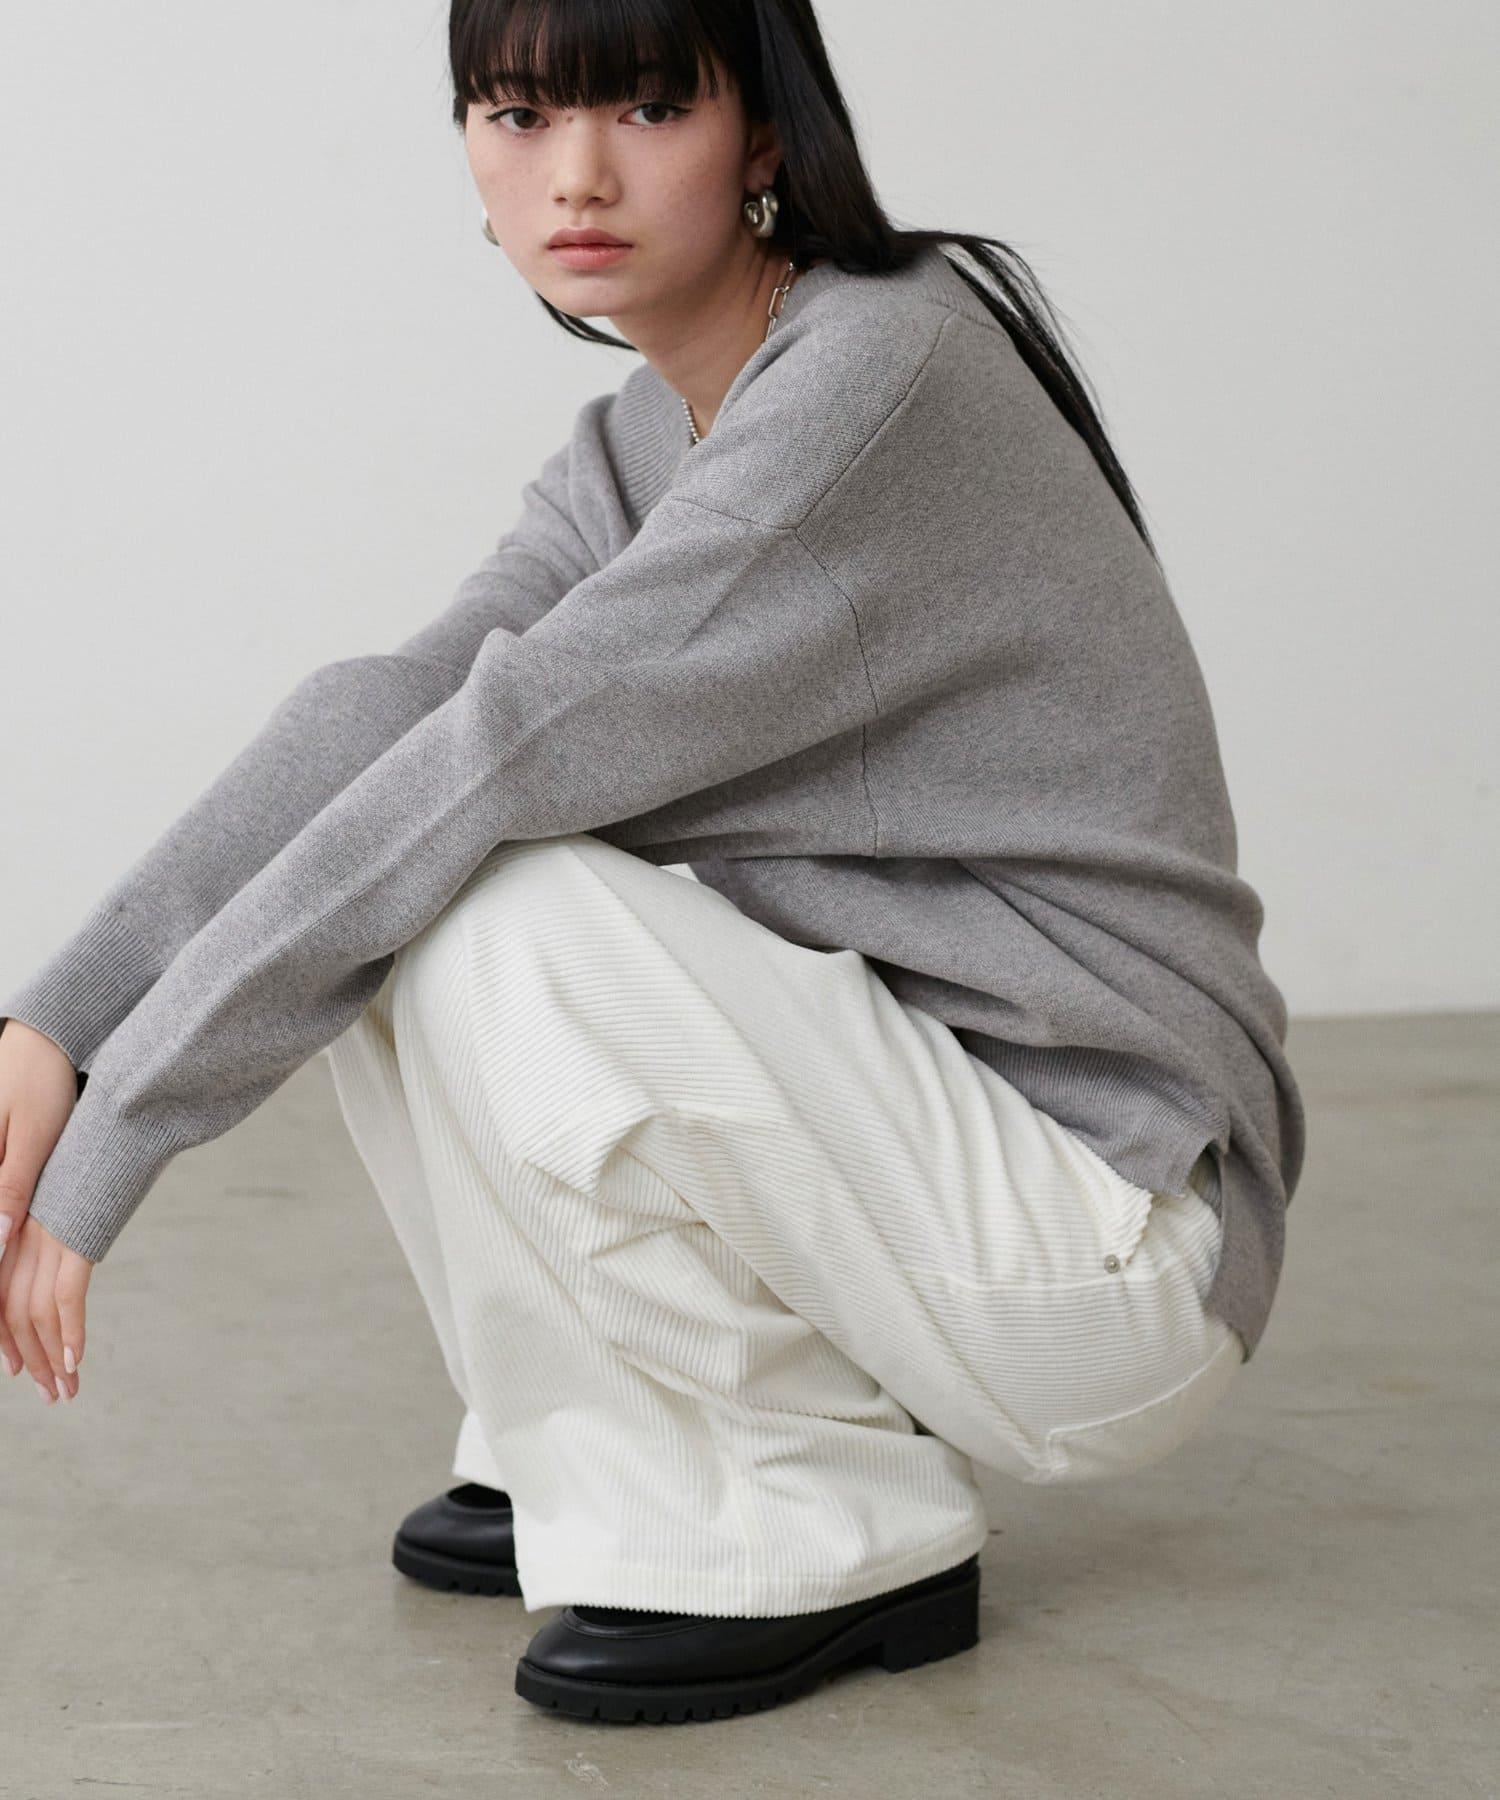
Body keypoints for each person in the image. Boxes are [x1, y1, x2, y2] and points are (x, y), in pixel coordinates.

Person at [0, 0, 1304, 1726]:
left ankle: (808, 1521)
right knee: (404, 842)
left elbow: (495, 757)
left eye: (644, 108)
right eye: (517, 114)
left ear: (764, 131)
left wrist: (119, 1136)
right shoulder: (644, 439)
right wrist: (59, 1027)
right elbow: (391, 714)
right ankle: (602, 1436)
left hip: (1110, 1240)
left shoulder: (870, 381)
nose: (577, 175)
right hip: (949, 1166)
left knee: (486, 894)